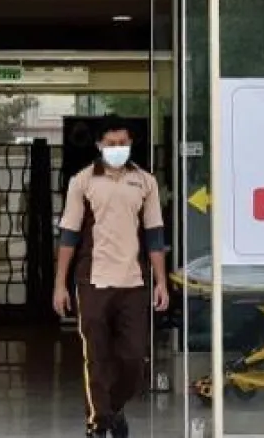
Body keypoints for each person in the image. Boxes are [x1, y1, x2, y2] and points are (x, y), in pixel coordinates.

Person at [53, 118, 168, 438]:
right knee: (97, 356)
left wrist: (160, 280)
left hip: (133, 282)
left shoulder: (145, 182)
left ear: (130, 145)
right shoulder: (83, 181)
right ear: (99, 146)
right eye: (111, 144)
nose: (117, 149)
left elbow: (154, 235)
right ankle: (98, 422)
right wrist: (59, 284)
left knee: (134, 360)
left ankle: (111, 410)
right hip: (93, 281)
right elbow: (68, 236)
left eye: (123, 143)